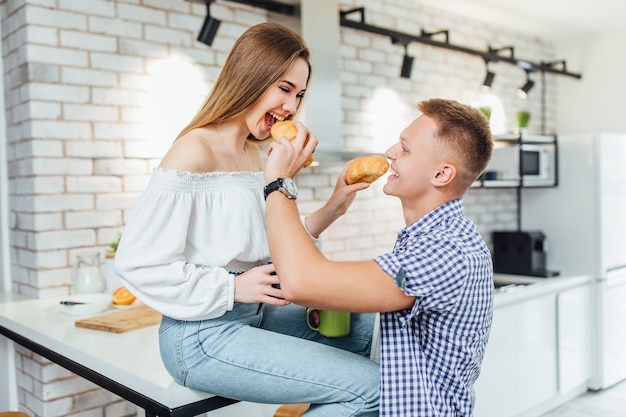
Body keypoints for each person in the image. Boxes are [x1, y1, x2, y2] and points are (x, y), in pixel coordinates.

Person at [115, 22, 379, 416]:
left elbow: (261, 249)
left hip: (255, 317)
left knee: (362, 326)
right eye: (284, 89)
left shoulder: (256, 154)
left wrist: (333, 207)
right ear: (251, 78)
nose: (292, 107)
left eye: (299, 95)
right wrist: (234, 288)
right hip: (200, 334)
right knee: (371, 390)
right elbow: (136, 263)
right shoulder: (193, 151)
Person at [264, 98, 495, 416]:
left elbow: (300, 282)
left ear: (442, 174)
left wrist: (278, 181)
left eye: (406, 148)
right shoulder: (433, 237)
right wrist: (333, 207)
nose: (390, 152)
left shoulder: (446, 252)